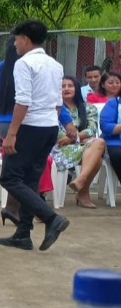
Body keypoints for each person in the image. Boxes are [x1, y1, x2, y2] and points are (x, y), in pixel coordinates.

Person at [0, 19, 71, 252]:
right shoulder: (55, 65)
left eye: (16, 39)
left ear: (26, 39)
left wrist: (12, 134)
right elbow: (58, 103)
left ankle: (51, 218)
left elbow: (23, 101)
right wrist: (50, 123)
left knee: (10, 178)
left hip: (30, 127)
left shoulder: (24, 63)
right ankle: (23, 234)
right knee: (30, 180)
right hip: (49, 126)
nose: (15, 44)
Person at [53, 76, 107, 209]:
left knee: (99, 142)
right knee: (98, 158)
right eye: (62, 86)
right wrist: (79, 138)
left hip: (82, 147)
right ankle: (83, 191)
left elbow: (92, 129)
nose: (66, 89)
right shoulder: (54, 108)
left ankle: (81, 180)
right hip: (60, 149)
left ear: (77, 88)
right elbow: (57, 134)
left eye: (70, 86)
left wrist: (74, 138)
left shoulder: (89, 108)